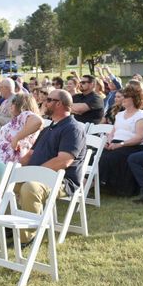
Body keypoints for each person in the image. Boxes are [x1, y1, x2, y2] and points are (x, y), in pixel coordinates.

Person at [17, 89, 87, 244]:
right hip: (36, 175)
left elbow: (63, 161)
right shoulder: (49, 128)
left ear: (59, 104)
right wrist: (14, 170)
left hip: (61, 181)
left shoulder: (73, 128)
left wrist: (33, 174)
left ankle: (28, 236)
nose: (44, 102)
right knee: (1, 182)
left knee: (30, 188)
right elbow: (29, 155)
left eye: (48, 99)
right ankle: (13, 226)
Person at [98, 85, 143, 196]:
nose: (122, 99)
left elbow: (140, 137)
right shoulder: (120, 115)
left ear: (134, 99)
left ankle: (90, 184)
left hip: (134, 146)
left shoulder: (141, 116)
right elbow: (113, 132)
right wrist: (108, 142)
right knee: (96, 154)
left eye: (125, 97)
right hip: (116, 144)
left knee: (107, 157)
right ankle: (95, 183)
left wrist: (120, 145)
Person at [0, 93, 43, 163]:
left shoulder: (25, 114)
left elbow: (38, 121)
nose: (11, 105)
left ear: (21, 105)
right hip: (0, 159)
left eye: (14, 102)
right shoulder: (19, 119)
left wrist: (17, 138)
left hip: (8, 162)